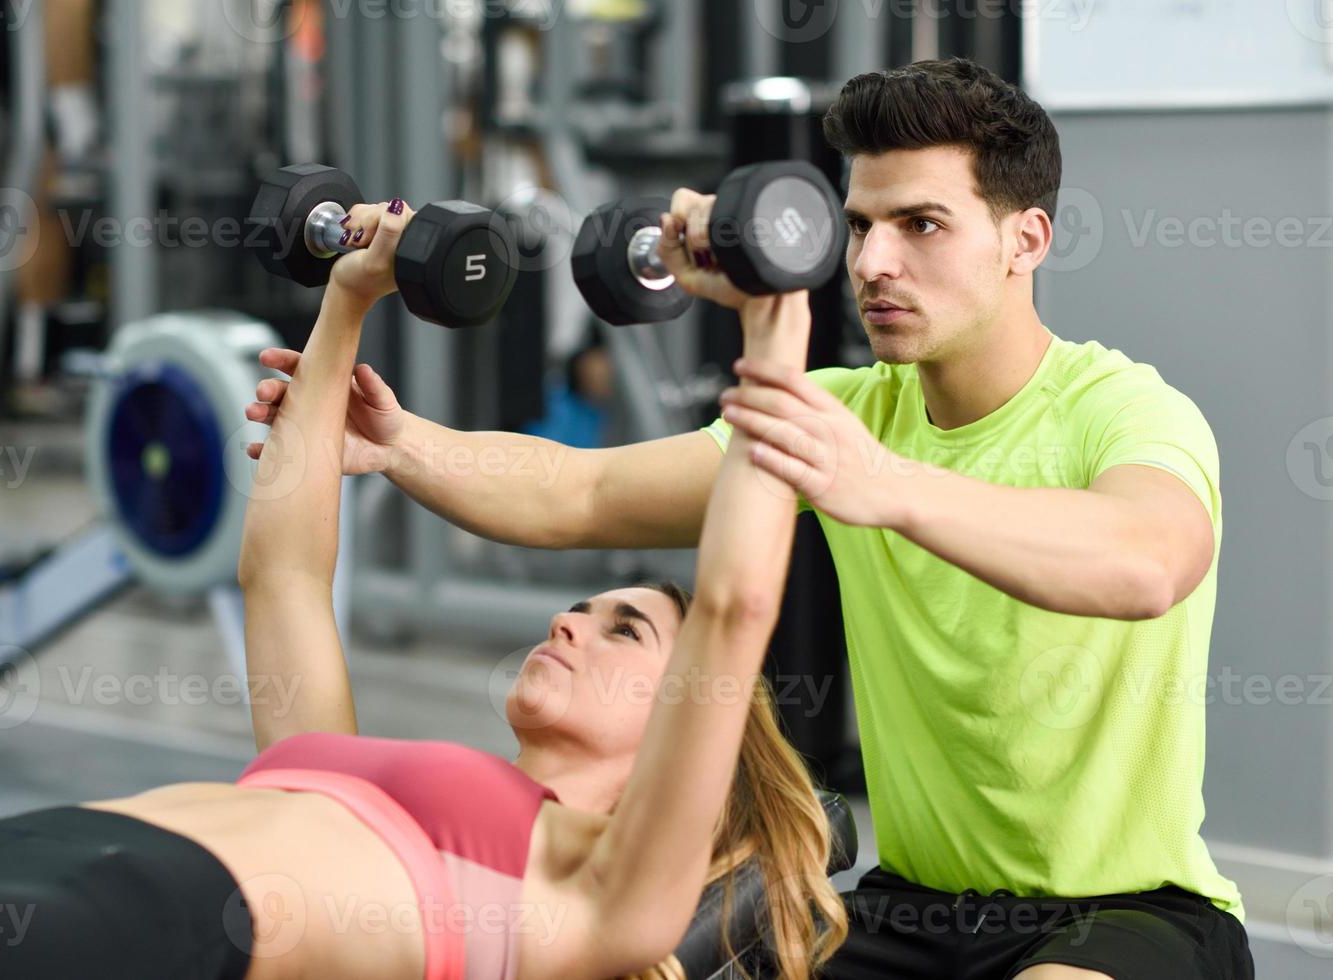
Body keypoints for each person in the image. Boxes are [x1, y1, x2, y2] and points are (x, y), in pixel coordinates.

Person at [245, 60, 1253, 979]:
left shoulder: (1123, 410)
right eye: (859, 226)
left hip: (1122, 913)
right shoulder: (848, 410)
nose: (873, 262)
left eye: (921, 225)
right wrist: (402, 443)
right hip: (909, 911)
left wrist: (887, 485)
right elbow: (581, 492)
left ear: (1024, 238)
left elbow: (1144, 561)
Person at [0, 200, 846, 980]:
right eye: (585, 608)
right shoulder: (336, 765)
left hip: (121, 923)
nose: (566, 620)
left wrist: (775, 319)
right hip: (31, 848)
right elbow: (282, 577)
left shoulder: (603, 902)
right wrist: (348, 296)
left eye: (624, 629)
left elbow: (732, 604)